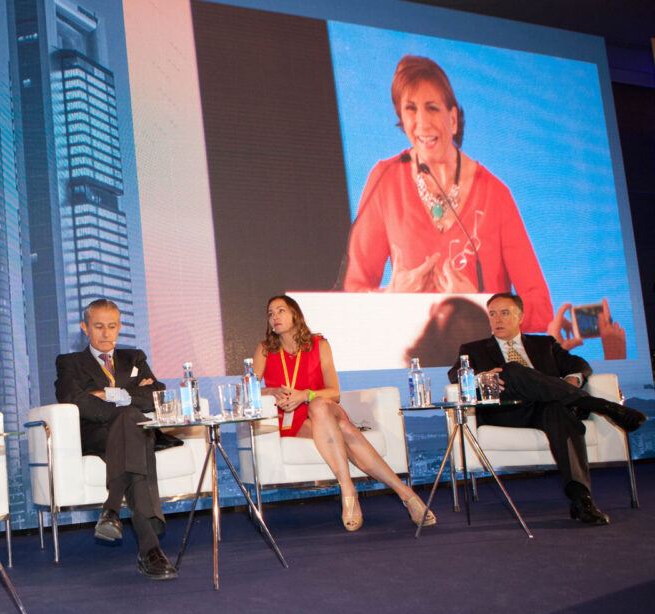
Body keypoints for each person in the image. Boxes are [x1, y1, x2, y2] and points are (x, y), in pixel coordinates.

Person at [342, 54, 554, 335]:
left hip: (487, 368)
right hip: (413, 364)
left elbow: (540, 309)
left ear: (452, 119)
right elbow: (351, 293)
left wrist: (480, 305)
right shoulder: (385, 180)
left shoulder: (495, 194)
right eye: (410, 109)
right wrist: (389, 297)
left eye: (432, 108)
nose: (422, 123)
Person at [448, 292, 646, 525]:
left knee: (560, 412)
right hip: (509, 413)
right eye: (492, 314)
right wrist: (482, 377)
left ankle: (581, 500)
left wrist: (572, 380)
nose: (497, 319)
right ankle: (604, 407)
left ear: (520, 316)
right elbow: (455, 376)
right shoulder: (474, 348)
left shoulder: (544, 344)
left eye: (504, 313)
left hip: (547, 409)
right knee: (511, 370)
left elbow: (579, 365)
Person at [253, 295, 436, 531]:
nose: (274, 317)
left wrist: (305, 395)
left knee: (319, 405)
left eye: (281, 311)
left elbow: (335, 393)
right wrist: (271, 391)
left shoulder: (319, 344)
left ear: (295, 315)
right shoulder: (265, 350)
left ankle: (347, 489)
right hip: (292, 419)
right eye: (270, 313)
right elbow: (249, 391)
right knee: (345, 430)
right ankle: (407, 495)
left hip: (325, 409)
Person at [54, 299, 178, 580]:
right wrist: (127, 398)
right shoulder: (70, 362)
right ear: (85, 328)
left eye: (112, 326)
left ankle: (113, 512)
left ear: (120, 327)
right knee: (130, 422)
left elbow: (158, 394)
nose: (106, 333)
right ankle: (149, 549)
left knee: (131, 431)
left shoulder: (135, 358)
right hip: (96, 434)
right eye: (98, 326)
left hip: (131, 434)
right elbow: (73, 399)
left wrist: (107, 394)